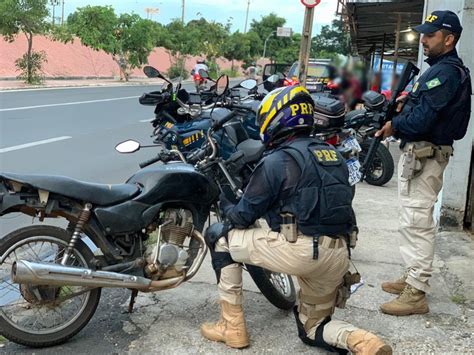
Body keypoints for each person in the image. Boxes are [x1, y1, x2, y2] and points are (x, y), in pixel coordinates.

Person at [200, 85, 392, 354]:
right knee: (312, 329)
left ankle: (231, 327)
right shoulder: (331, 153)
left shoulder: (277, 161)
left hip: (302, 252)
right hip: (339, 256)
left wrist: (226, 205)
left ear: (277, 118)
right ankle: (363, 341)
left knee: (219, 237)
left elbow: (243, 216)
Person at [376, 10, 471, 316]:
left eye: (430, 35)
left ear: (449, 38)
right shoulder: (437, 69)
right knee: (411, 219)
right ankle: (412, 275)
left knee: (417, 222)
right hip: (420, 155)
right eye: (424, 34)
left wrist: (396, 124)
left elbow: (421, 121)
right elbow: (423, 108)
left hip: (427, 156)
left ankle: (416, 292)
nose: (424, 39)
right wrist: (406, 103)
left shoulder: (446, 72)